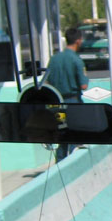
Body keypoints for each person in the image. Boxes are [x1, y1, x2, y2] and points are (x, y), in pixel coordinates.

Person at [41, 26, 89, 161]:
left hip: (57, 103)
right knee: (75, 136)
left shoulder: (54, 59)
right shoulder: (76, 60)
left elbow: (47, 82)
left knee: (62, 137)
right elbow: (83, 85)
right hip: (73, 103)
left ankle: (60, 165)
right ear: (78, 41)